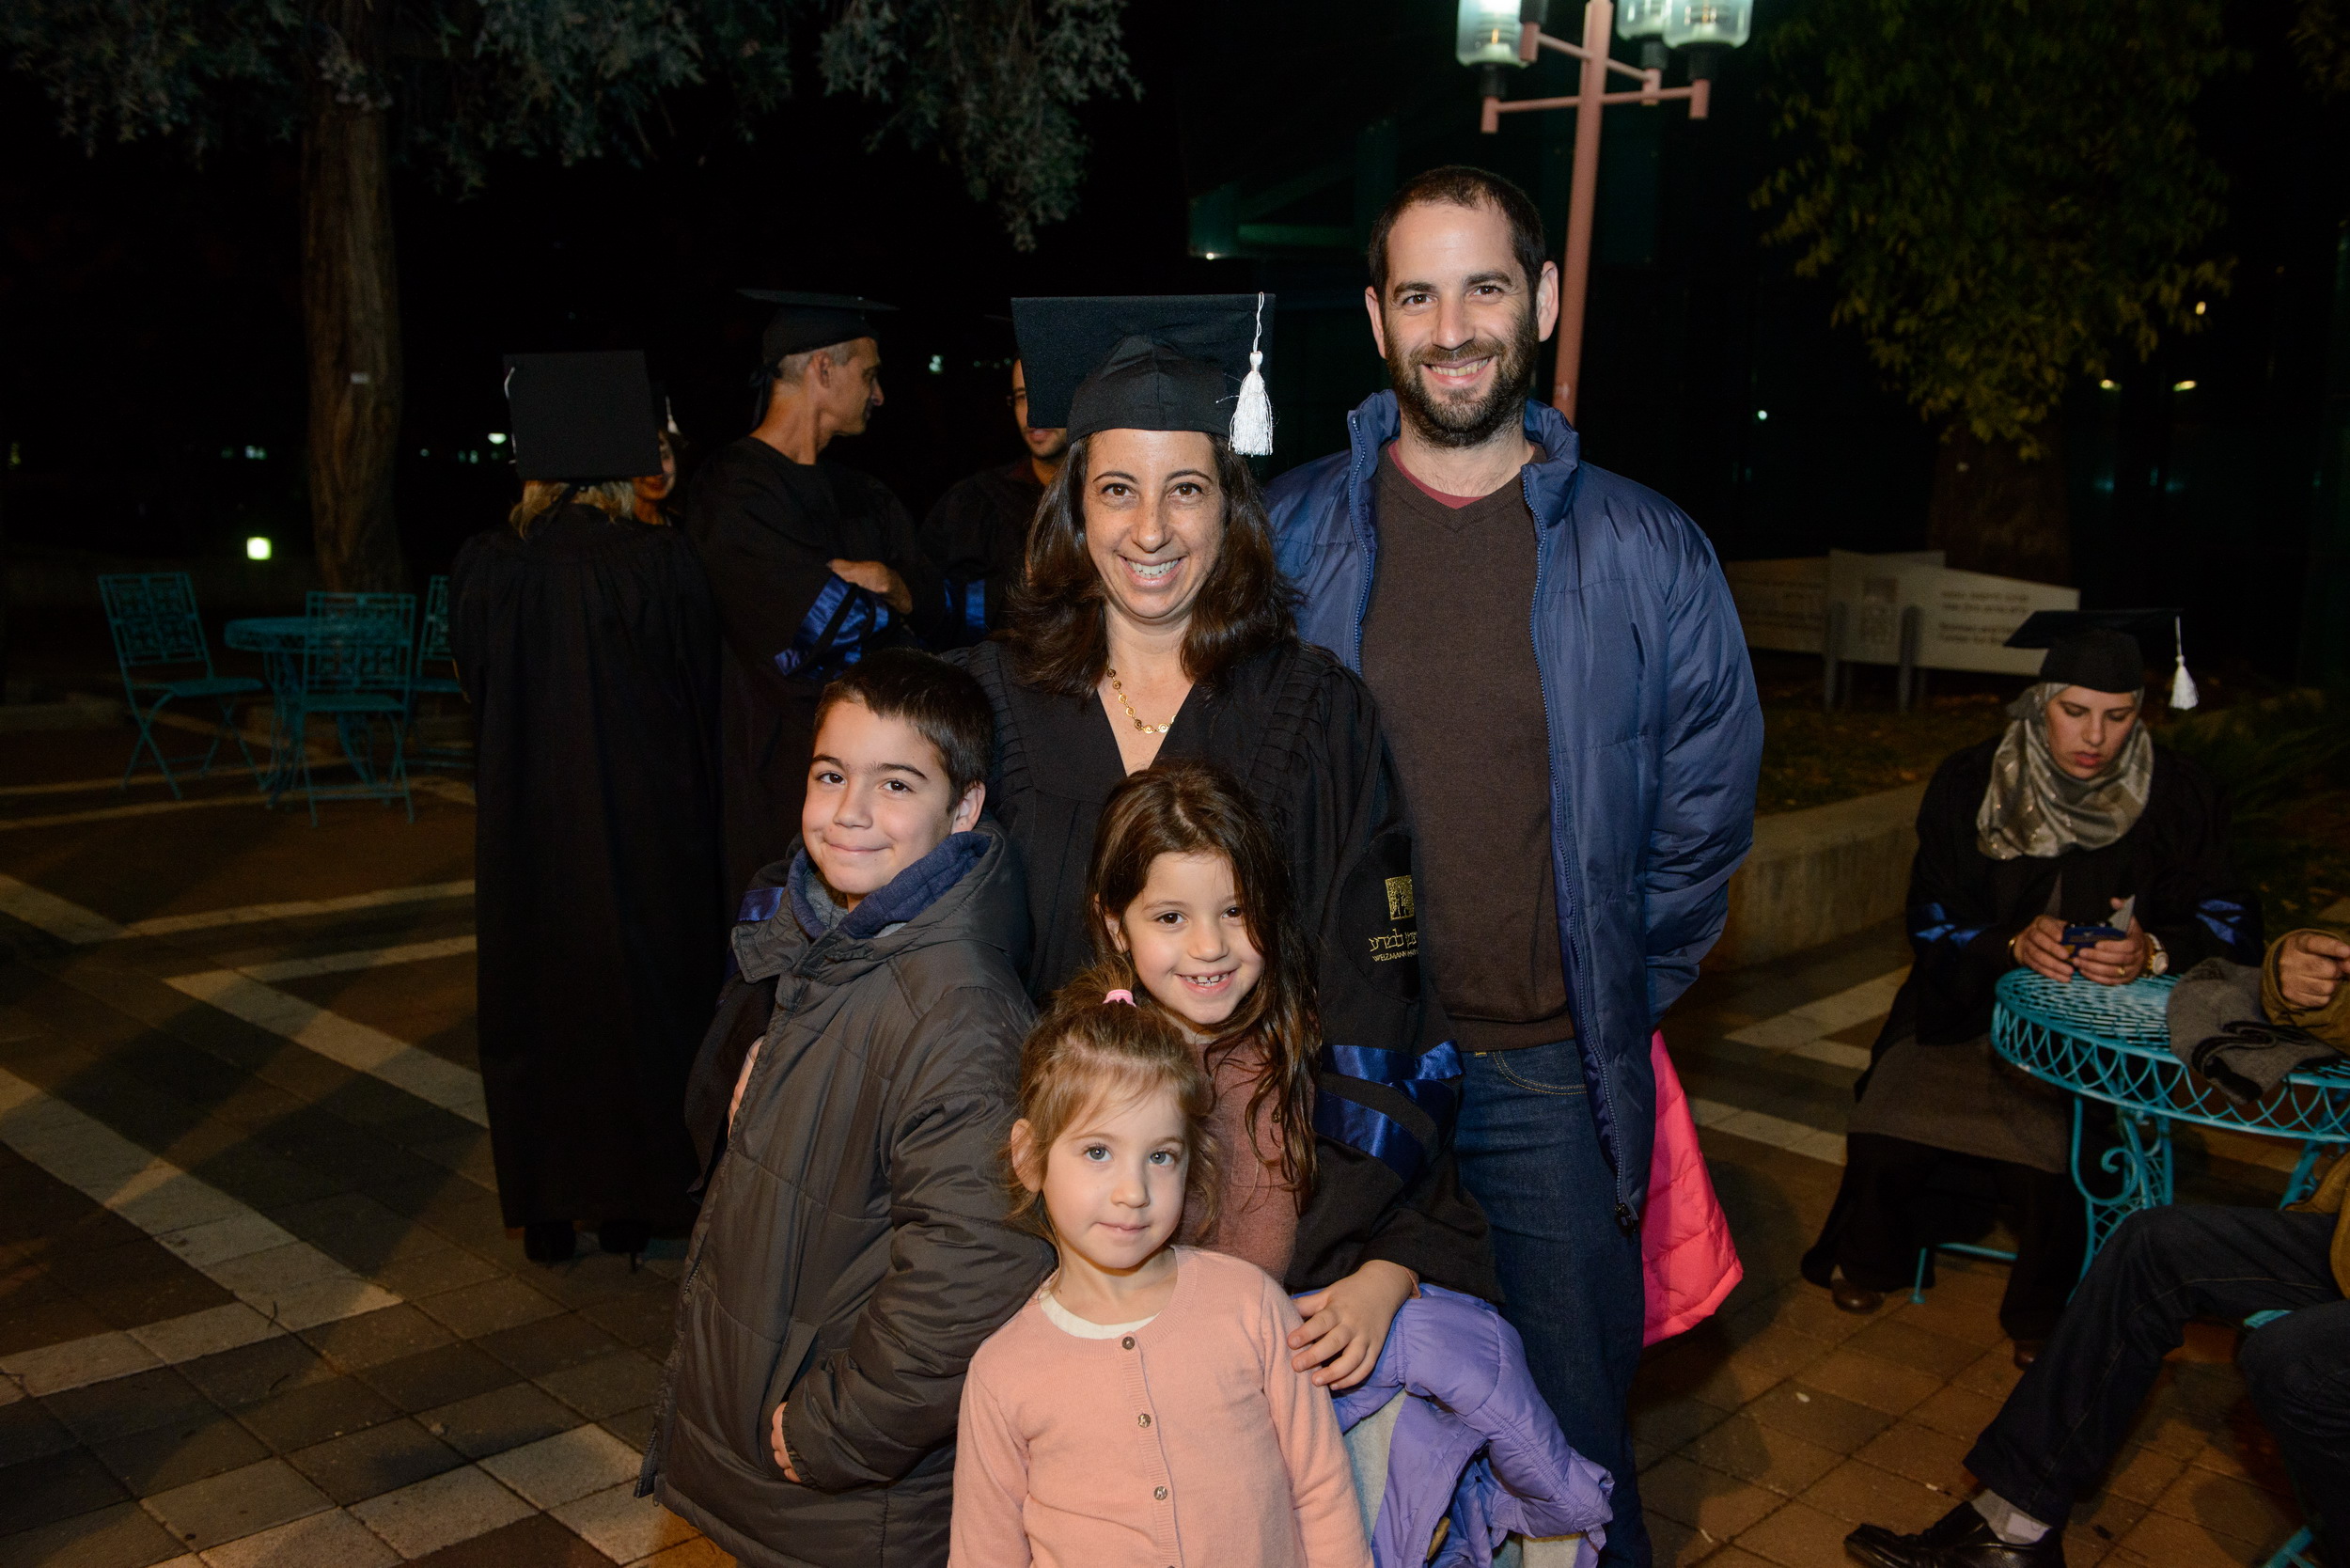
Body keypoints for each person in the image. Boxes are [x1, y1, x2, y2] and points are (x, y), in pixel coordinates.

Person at [1263, 166, 1763, 1568]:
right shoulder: (1288, 536)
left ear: (1540, 302)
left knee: (1573, 1461)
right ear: (1378, 318)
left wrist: (1600, 987)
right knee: (1344, 1460)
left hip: (1547, 1084)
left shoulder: (1648, 548)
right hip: (1338, 1081)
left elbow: (1705, 815)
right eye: (1418, 295)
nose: (1452, 329)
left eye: (1483, 287)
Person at [949, 294, 1490, 1308]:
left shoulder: (1314, 712)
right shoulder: (989, 703)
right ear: (1073, 508)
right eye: (1117, 490)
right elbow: (879, 888)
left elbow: (1373, 991)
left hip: (1260, 1222)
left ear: (1230, 508)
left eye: (1186, 489)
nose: (1151, 529)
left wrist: (1359, 1240)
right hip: (1022, 1218)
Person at [640, 650, 1051, 1568]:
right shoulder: (836, 948)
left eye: (896, 784)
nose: (850, 811)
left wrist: (839, 1430)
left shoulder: (956, 1011)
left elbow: (980, 1266)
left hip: (848, 1500)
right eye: (831, 775)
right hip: (778, 1480)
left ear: (965, 809)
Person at [1802, 613, 2264, 1364]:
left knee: (2058, 1155)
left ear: (2141, 714)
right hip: (1965, 1009)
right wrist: (2007, 944)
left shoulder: (2180, 796)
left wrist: (2153, 950)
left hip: (2095, 1035)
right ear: (2040, 702)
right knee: (1886, 1122)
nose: (2095, 737)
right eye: (2074, 711)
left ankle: (2043, 1309)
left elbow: (2233, 920)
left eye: (2118, 716)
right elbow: (1929, 913)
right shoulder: (1972, 780)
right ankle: (1873, 1257)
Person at [1082, 760, 1496, 1385]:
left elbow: (1424, 1200)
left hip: (1307, 1376)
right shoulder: (1089, 1071)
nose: (1209, 947)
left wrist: (1382, 1282)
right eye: (1171, 918)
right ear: (1116, 925)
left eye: (1235, 910)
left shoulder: (1318, 1053)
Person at [451, 350, 722, 1263]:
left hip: (525, 831)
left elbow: (475, 687)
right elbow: (698, 690)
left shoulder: (487, 569)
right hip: (644, 830)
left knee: (535, 1006)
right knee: (637, 1005)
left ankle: (547, 1211)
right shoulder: (659, 563)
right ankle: (629, 1204)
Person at [948, 989, 1372, 1568]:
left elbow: (1323, 1492)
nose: (1134, 1192)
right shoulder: (1002, 1373)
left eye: (1160, 1156)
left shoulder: (1250, 1305)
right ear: (1029, 1156)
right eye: (1098, 1151)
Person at [685, 290, 956, 902]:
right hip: (781, 774)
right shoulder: (732, 490)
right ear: (823, 368)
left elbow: (936, 606)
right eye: (869, 374)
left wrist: (894, 591)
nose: (879, 395)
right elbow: (810, 637)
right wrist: (898, 607)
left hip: (890, 777)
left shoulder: (867, 494)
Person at [918, 357, 1068, 647]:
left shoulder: (1112, 500)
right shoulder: (974, 504)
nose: (1032, 413)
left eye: (1044, 394)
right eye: (1022, 397)